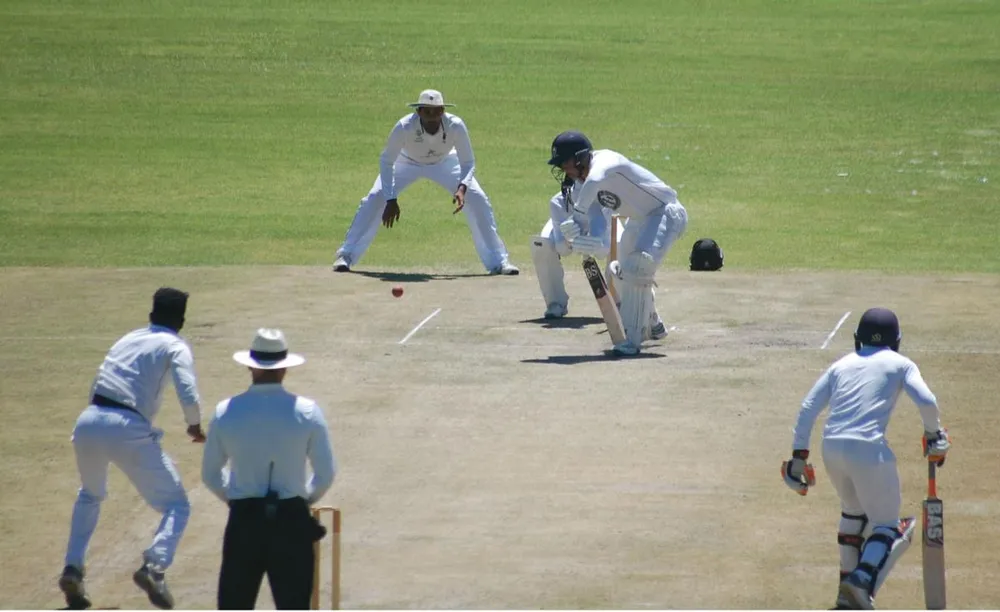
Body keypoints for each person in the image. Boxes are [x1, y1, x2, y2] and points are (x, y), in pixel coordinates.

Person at [782, 308, 952, 610]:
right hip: (870, 450)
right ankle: (859, 582)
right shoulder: (901, 363)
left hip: (831, 448)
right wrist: (935, 435)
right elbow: (927, 400)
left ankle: (845, 597)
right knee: (889, 527)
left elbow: (808, 407)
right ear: (896, 340)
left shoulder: (841, 365)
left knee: (853, 516)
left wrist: (798, 457)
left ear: (857, 339)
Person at [59, 287, 205, 611]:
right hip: (127, 427)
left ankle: (73, 568)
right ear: (181, 320)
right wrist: (194, 425)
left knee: (90, 495)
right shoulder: (175, 345)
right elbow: (188, 390)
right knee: (177, 505)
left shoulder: (127, 339)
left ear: (151, 315)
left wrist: (95, 426)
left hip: (88, 421)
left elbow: (99, 379)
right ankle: (154, 566)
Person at [202, 328, 337, 610]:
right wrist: (300, 502)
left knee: (235, 604)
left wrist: (237, 499)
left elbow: (211, 474)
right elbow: (325, 474)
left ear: (251, 366)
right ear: (285, 369)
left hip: (244, 519)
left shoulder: (227, 410)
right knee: (294, 604)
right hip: (291, 520)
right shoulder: (307, 411)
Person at [332, 88, 519, 275]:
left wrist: (462, 188)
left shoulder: (456, 125)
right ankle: (346, 255)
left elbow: (468, 162)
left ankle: (499, 261)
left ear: (443, 111)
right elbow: (387, 161)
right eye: (427, 111)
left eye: (437, 111)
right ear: (418, 111)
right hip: (406, 162)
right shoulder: (404, 127)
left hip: (445, 162)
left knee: (477, 198)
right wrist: (390, 198)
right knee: (375, 197)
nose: (432, 116)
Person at [546, 131, 687, 355]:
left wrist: (578, 214)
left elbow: (595, 180)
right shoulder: (581, 186)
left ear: (581, 157)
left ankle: (632, 340)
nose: (565, 170)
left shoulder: (607, 160)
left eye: (567, 163)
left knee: (639, 266)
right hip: (639, 221)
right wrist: (582, 239)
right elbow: (595, 224)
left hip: (665, 213)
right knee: (620, 271)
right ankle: (653, 323)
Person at [529, 176, 628, 320]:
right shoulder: (558, 202)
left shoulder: (605, 204)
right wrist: (570, 240)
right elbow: (562, 249)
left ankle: (619, 300)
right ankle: (555, 303)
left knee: (620, 243)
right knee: (541, 244)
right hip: (567, 230)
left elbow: (603, 252)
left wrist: (595, 245)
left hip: (600, 235)